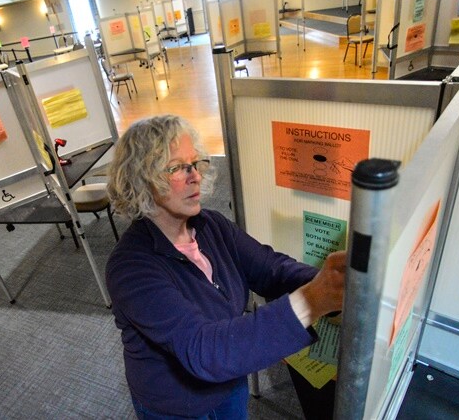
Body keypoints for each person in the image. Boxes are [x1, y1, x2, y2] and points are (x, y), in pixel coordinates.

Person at [106, 114, 346, 419]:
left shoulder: (210, 225)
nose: (194, 176)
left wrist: (331, 282)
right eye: (177, 167)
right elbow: (203, 349)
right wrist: (314, 299)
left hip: (230, 377)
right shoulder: (130, 267)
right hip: (177, 405)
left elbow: (271, 269)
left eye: (195, 164)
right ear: (141, 179)